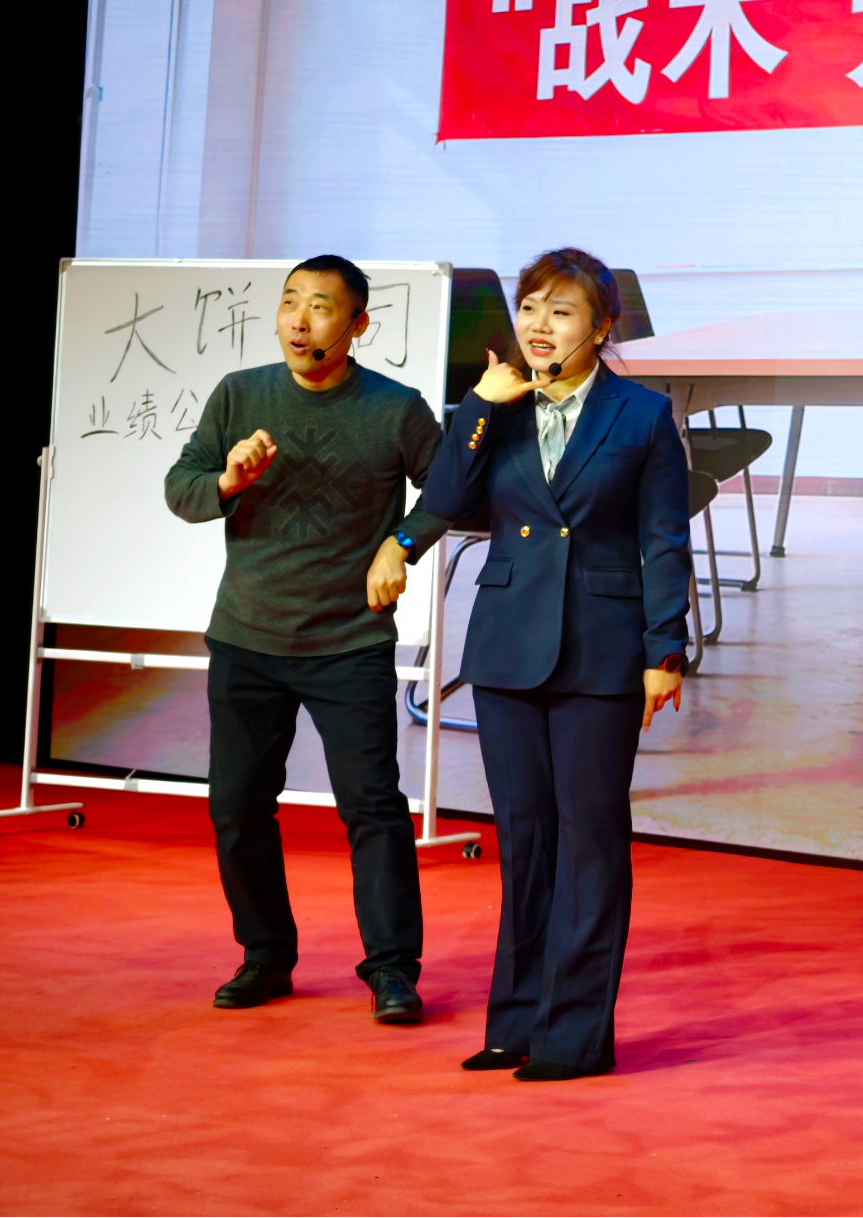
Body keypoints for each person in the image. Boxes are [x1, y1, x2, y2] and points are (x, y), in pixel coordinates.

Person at [420, 247, 692, 1082]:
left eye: (561, 311)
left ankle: (574, 1037)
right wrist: (478, 406)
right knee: (525, 840)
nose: (539, 325)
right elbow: (444, 501)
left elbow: (663, 539)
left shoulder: (642, 414)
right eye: (531, 307)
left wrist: (665, 647)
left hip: (602, 651)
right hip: (507, 645)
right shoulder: (495, 406)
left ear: (601, 327)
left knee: (590, 843)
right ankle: (514, 1026)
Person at [164, 255, 448, 1024]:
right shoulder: (240, 393)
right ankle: (265, 956)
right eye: (290, 302)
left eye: (320, 306)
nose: (299, 319)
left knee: (373, 808)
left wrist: (401, 545)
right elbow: (182, 488)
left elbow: (452, 488)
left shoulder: (395, 409)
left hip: (349, 642)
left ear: (357, 325)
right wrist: (228, 481)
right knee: (238, 806)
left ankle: (392, 970)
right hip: (247, 636)